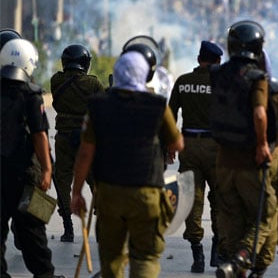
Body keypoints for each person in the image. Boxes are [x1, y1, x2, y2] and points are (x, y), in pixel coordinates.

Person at [70, 51, 184, 278]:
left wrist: (77, 192)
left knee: (112, 257)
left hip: (110, 192)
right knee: (146, 257)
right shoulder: (158, 105)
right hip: (147, 191)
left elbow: (85, 153)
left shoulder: (98, 106)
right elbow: (177, 144)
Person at [211, 21, 278, 278]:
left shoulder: (218, 76)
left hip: (224, 160)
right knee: (265, 215)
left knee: (232, 219)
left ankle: (231, 262)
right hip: (254, 162)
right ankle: (240, 260)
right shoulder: (263, 83)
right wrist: (264, 142)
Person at [1, 39, 65, 278]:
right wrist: (47, 170)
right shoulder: (31, 95)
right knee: (34, 228)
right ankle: (45, 275)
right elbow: (39, 136)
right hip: (28, 174)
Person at [169, 40, 224, 272]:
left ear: (198, 58)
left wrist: (168, 147)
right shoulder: (224, 83)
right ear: (218, 61)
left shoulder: (183, 82)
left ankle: (197, 254)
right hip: (217, 148)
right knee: (221, 199)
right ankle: (217, 248)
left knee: (192, 199)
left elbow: (169, 116)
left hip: (188, 146)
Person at [51, 44, 104, 243]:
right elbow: (102, 106)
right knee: (95, 179)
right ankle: (101, 221)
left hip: (63, 137)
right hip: (86, 138)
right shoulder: (92, 83)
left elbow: (56, 102)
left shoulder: (56, 80)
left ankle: (67, 227)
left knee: (62, 181)